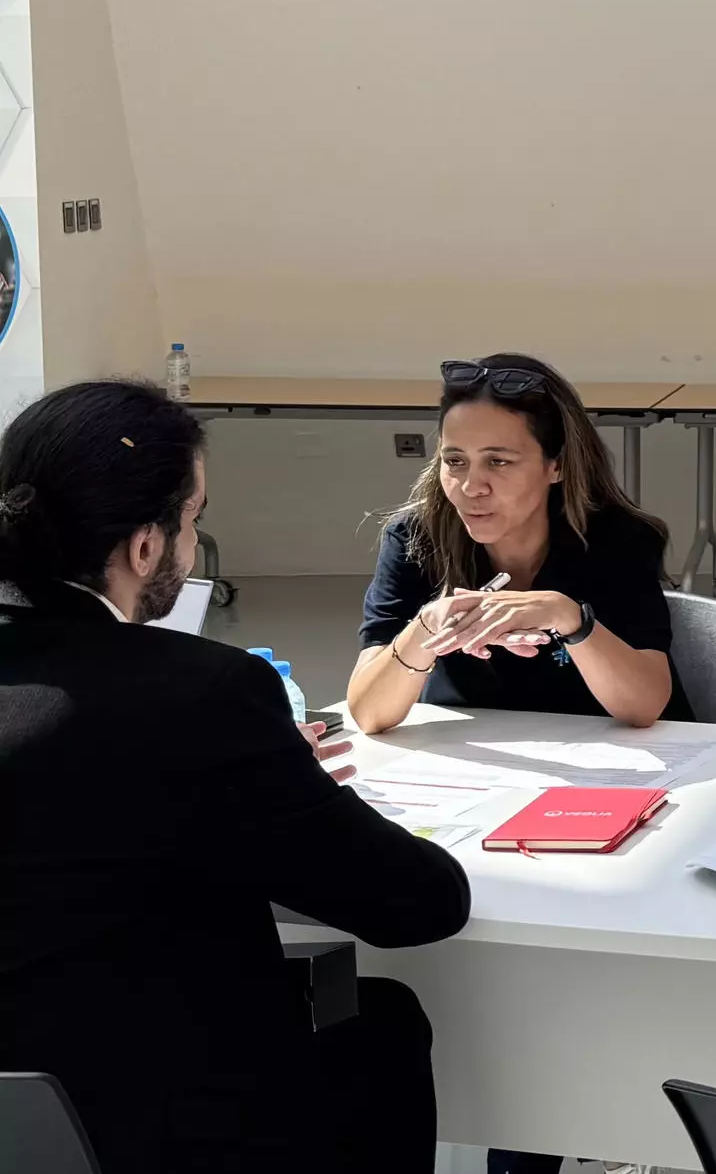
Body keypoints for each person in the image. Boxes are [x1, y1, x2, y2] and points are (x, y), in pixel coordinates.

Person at [0, 380, 471, 1174]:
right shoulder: (201, 693)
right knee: (381, 1029)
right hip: (159, 1125)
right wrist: (283, 784)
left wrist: (256, 773)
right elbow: (418, 904)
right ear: (145, 547)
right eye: (194, 519)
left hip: (23, 1119)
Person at [350, 353, 682, 734]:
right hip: (467, 762)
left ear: (556, 464)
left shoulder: (618, 539)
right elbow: (369, 714)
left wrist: (567, 617)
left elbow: (644, 707)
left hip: (611, 760)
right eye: (455, 461)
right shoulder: (415, 538)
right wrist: (426, 626)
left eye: (499, 462)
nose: (472, 487)